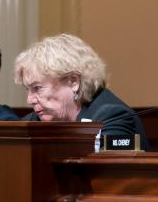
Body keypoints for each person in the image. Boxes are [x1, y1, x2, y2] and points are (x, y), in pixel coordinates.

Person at [13, 33, 146, 142]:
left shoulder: (111, 117)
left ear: (73, 82)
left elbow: (107, 172)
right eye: (28, 89)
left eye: (37, 88)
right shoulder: (32, 121)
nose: (30, 100)